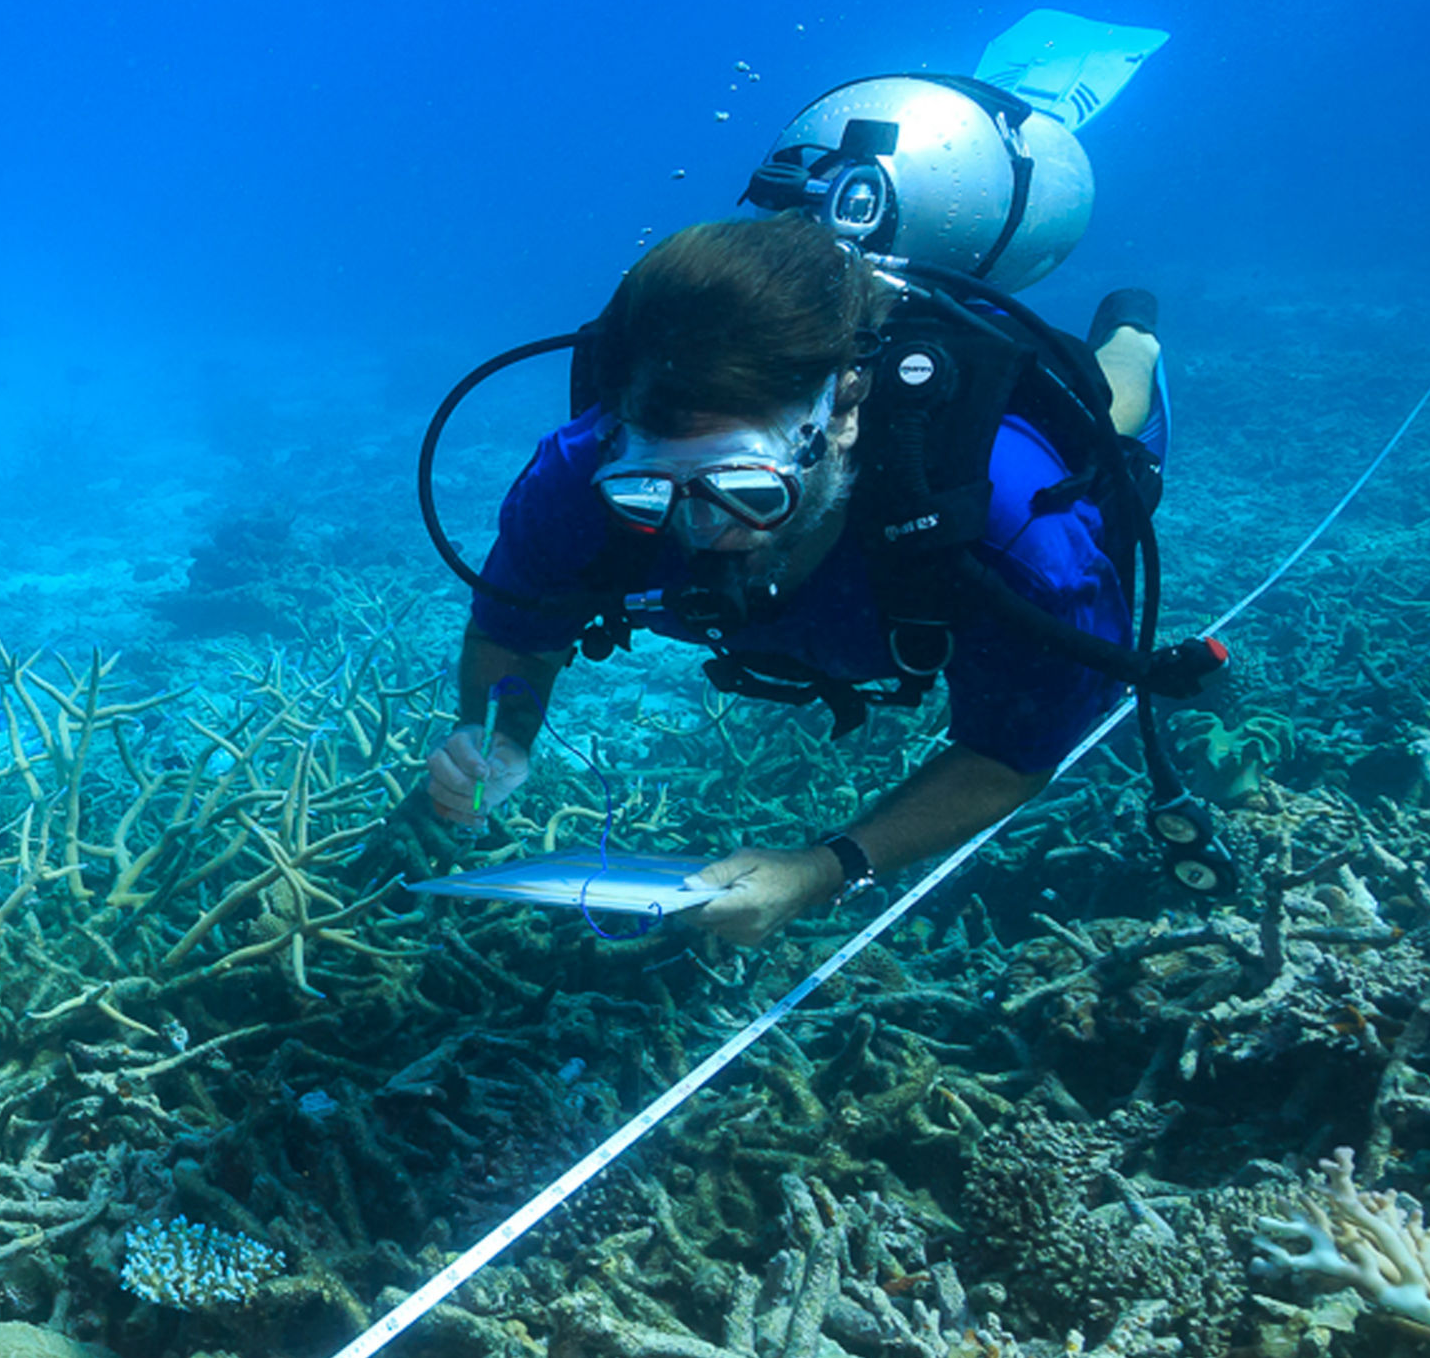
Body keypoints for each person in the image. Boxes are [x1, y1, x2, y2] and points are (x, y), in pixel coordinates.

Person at [421, 212, 1169, 945]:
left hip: (1032, 444)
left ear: (841, 416)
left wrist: (823, 868)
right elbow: (511, 634)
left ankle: (1133, 332)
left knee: (1113, 402)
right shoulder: (575, 480)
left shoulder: (1011, 529)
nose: (702, 527)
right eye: (649, 492)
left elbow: (1012, 755)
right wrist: (501, 735)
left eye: (746, 489)